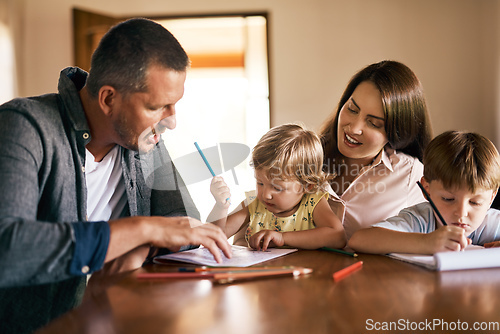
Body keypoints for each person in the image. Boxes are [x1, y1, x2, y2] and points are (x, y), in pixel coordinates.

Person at [0, 18, 231, 333]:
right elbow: (9, 248)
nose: (172, 122)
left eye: (174, 105)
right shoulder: (23, 127)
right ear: (108, 99)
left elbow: (183, 229)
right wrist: (140, 229)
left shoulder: (144, 140)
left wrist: (140, 245)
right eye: (157, 107)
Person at [319, 60, 433, 240]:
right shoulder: (306, 157)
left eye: (374, 123)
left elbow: (456, 217)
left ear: (397, 132)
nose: (354, 128)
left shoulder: (411, 174)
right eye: (352, 109)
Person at [348, 131, 500, 254]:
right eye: (448, 199)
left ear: (491, 198)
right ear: (427, 189)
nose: (461, 213)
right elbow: (359, 240)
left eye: (475, 202)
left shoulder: (488, 222)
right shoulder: (420, 220)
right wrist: (426, 242)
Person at [208, 123, 346, 250]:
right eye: (260, 183)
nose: (265, 194)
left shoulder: (312, 202)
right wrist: (221, 207)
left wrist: (282, 238)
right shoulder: (253, 202)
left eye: (277, 188)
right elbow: (213, 236)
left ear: (307, 186)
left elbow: (338, 237)